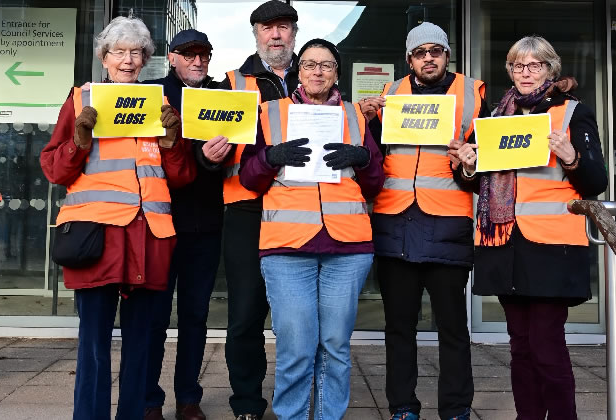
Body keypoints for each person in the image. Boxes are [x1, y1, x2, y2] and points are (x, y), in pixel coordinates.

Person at [39, 16, 196, 420]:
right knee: (93, 345)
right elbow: (55, 170)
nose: (127, 61)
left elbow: (180, 177)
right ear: (104, 58)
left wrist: (172, 142)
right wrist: (78, 141)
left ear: (146, 59)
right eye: (118, 52)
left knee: (141, 346)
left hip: (149, 239)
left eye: (136, 53)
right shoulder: (80, 100)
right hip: (96, 240)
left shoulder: (162, 103)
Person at [452, 35, 607, 419]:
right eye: (518, 65)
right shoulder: (492, 118)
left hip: (553, 246)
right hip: (504, 243)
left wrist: (572, 158)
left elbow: (596, 181)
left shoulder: (573, 113)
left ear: (550, 69)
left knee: (546, 344)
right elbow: (470, 179)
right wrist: (468, 162)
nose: (526, 72)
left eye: (534, 65)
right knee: (520, 346)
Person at [240, 38, 385, 420]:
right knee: (297, 345)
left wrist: (364, 158)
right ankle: (292, 415)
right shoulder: (271, 113)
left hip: (348, 246)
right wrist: (270, 158)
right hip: (287, 247)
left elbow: (374, 183)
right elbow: (248, 179)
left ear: (337, 71)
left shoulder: (355, 116)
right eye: (308, 64)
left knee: (336, 344)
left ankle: (327, 415)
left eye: (326, 64)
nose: (317, 71)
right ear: (298, 70)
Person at [364, 22, 488, 420]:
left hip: (447, 224)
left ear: (447, 55)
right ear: (409, 59)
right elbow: (371, 153)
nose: (429, 58)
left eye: (436, 51)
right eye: (421, 52)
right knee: (399, 327)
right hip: (394, 222)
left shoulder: (474, 94)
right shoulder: (390, 94)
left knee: (452, 327)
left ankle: (455, 409)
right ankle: (402, 407)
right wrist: (366, 121)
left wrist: (469, 164)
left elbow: (487, 167)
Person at [217, 2, 299, 418]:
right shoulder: (231, 83)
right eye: (268, 28)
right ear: (255, 34)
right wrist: (207, 156)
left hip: (302, 209)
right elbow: (208, 146)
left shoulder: (316, 74)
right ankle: (247, 403)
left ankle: (296, 399)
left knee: (297, 316)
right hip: (246, 208)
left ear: (294, 32)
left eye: (283, 27)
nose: (276, 35)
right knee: (246, 312)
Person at [143, 29, 230, 420]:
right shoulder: (150, 94)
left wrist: (218, 157)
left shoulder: (221, 98)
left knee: (195, 316)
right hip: (158, 223)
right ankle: (148, 399)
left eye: (205, 55)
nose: (198, 61)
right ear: (171, 57)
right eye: (190, 54)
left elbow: (239, 151)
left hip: (206, 224)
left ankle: (188, 398)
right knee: (155, 318)